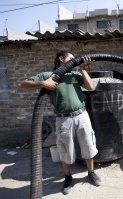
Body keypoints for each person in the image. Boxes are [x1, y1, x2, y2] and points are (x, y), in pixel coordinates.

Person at [18, 50, 100, 195]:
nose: (75, 60)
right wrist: (42, 83)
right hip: (64, 118)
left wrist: (82, 69)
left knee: (88, 145)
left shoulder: (74, 74)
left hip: (82, 115)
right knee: (65, 150)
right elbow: (22, 85)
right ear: (62, 59)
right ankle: (68, 177)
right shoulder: (48, 76)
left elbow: (90, 87)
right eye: (72, 58)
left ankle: (91, 172)